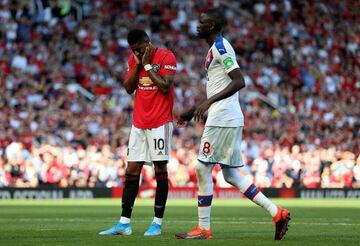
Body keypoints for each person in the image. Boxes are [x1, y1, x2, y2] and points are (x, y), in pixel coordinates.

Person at [174, 8, 290, 240]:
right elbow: (219, 86)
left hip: (223, 117)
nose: (199, 25)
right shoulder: (214, 48)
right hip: (225, 116)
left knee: (202, 167)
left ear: (214, 26)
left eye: (204, 22)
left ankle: (203, 228)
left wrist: (208, 102)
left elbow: (239, 81)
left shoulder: (221, 46)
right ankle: (277, 212)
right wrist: (191, 111)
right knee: (231, 175)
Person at [99, 29, 177, 236]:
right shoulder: (134, 59)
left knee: (160, 170)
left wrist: (148, 64)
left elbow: (164, 87)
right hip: (139, 123)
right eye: (134, 50)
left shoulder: (166, 56)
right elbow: (128, 87)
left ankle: (157, 224)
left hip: (160, 122)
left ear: (147, 42)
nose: (137, 52)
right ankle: (124, 223)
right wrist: (138, 63)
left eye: (140, 48)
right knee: (132, 171)